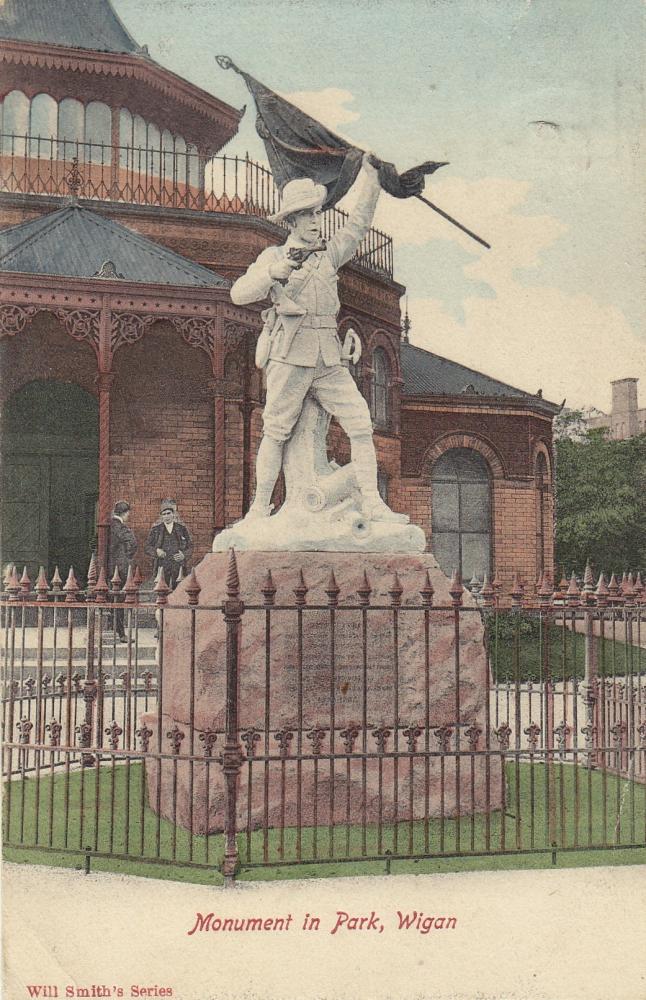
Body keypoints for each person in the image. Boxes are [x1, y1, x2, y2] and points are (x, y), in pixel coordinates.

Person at [230, 153, 407, 524]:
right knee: (275, 431)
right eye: (308, 215)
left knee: (360, 423)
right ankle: (259, 508)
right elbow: (239, 293)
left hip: (328, 357)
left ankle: (373, 502)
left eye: (317, 214)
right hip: (289, 355)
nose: (315, 221)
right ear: (292, 221)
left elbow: (357, 225)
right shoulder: (273, 255)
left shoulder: (328, 256)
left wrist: (372, 179)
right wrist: (274, 273)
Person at [145, 499, 193, 590]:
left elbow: (190, 546)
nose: (166, 516)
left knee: (178, 591)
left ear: (173, 514)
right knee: (161, 591)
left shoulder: (181, 529)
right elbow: (147, 547)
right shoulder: (156, 530)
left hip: (178, 565)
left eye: (168, 513)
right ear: (161, 516)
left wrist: (184, 555)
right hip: (162, 565)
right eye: (164, 514)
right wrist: (156, 551)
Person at [107, 500, 137, 641]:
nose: (129, 516)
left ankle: (114, 631)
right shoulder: (121, 528)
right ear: (124, 513)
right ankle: (121, 634)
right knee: (119, 601)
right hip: (119, 569)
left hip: (108, 568)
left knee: (111, 599)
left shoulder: (108, 526)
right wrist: (127, 557)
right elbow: (132, 543)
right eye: (128, 513)